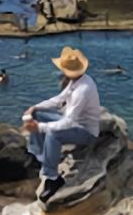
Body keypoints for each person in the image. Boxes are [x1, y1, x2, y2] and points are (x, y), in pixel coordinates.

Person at [23, 46, 103, 203]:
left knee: (53, 134)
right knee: (37, 114)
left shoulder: (82, 90)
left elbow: (69, 122)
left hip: (86, 131)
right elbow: (59, 99)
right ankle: (41, 157)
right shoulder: (77, 80)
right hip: (73, 123)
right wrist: (36, 107)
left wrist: (39, 127)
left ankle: (53, 178)